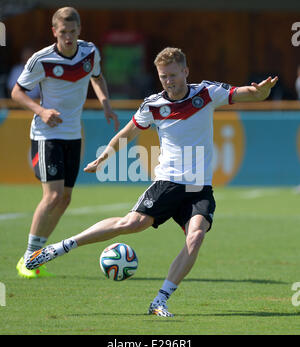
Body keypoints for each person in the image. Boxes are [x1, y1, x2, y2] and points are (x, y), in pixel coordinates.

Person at [25, 47, 278, 316]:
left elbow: (246, 94)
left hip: (198, 187)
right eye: (163, 76)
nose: (168, 81)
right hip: (168, 182)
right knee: (131, 224)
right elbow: (128, 133)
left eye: (172, 75)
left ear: (185, 71)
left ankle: (160, 300)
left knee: (196, 236)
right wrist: (103, 158)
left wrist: (261, 92)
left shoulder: (205, 93)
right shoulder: (154, 105)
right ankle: (62, 246)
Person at [12, 7, 119, 279]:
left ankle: (37, 255)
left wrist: (106, 104)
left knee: (66, 198)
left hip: (73, 134)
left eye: (73, 32)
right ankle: (27, 258)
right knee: (53, 195)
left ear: (79, 30)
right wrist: (41, 111)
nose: (68, 37)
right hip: (47, 135)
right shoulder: (42, 59)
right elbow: (17, 92)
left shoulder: (90, 52)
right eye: (63, 33)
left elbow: (97, 76)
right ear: (54, 32)